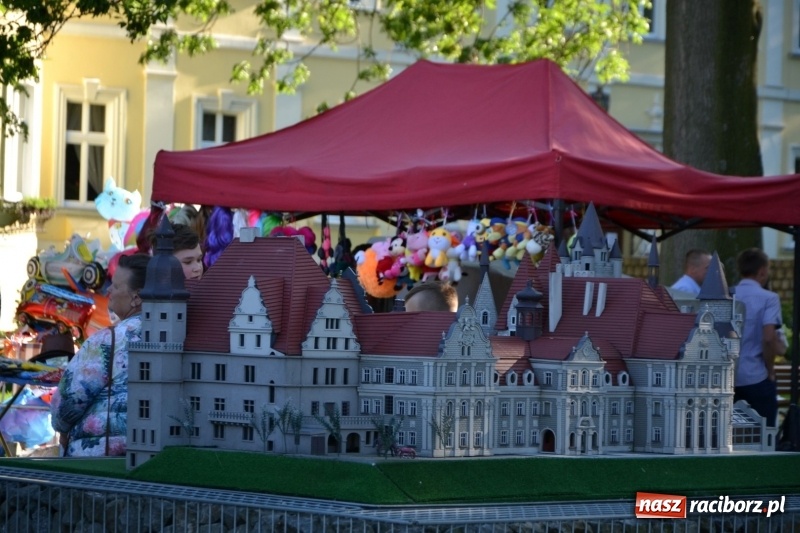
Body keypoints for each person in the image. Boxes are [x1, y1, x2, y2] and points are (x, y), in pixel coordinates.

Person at [51, 253, 150, 456]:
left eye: (115, 286)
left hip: (99, 461)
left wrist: (61, 427)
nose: (109, 291)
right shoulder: (182, 333)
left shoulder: (107, 340)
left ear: (137, 297)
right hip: (153, 457)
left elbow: (68, 401)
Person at [733, 248, 787, 427]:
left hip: (725, 377)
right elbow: (769, 337)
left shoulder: (726, 294)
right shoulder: (769, 298)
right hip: (755, 375)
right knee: (764, 435)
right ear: (762, 271)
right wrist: (770, 369)